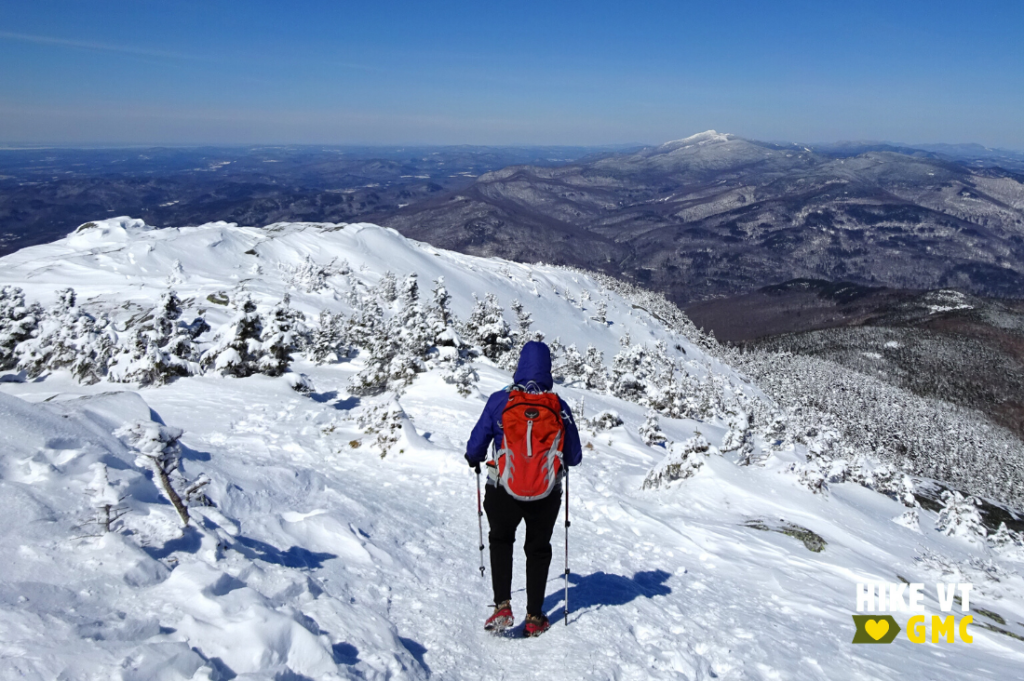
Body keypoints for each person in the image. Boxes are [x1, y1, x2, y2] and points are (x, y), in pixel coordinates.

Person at [465, 340, 583, 637]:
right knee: (538, 550)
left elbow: (475, 446)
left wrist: (474, 460)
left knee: (501, 540)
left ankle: (502, 605)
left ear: (519, 366)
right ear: (548, 370)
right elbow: (574, 457)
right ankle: (534, 616)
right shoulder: (559, 407)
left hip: (503, 488)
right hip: (545, 494)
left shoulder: (500, 401)